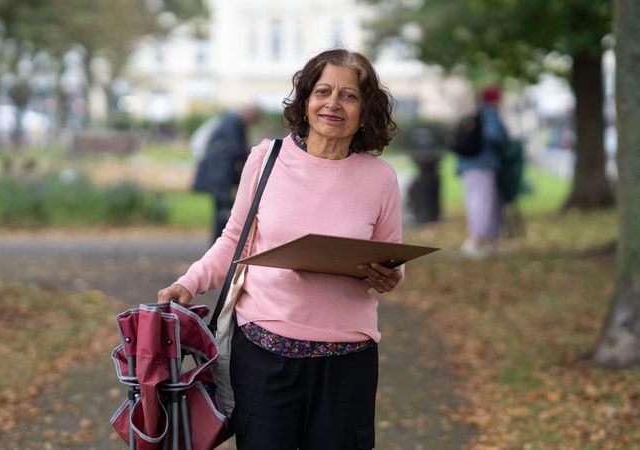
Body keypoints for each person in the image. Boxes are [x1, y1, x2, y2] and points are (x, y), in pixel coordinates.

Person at [158, 48, 402, 450]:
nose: (333, 104)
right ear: (306, 100)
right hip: (264, 355)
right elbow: (234, 237)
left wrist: (390, 275)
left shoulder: (380, 178)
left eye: (349, 96)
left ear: (365, 110)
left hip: (346, 361)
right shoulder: (266, 159)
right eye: (323, 91)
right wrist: (190, 282)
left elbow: (392, 257)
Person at [192, 104, 263, 243]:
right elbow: (236, 148)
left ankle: (219, 245)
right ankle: (219, 246)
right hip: (220, 175)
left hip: (218, 174)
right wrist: (257, 153)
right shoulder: (234, 121)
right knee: (223, 212)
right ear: (251, 114)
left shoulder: (229, 120)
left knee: (222, 210)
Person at [457, 86, 509, 259]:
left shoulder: (476, 114)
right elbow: (495, 136)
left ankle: (489, 243)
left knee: (480, 203)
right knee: (483, 204)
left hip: (468, 166)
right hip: (484, 166)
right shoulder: (490, 114)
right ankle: (475, 242)